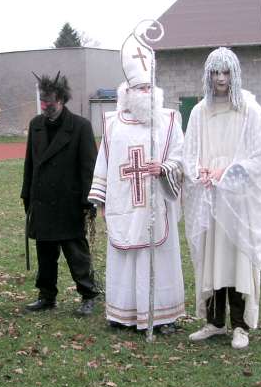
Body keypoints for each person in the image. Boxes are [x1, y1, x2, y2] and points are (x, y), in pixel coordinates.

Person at [88, 32, 185, 334]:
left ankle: (162, 316)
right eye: (139, 88)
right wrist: (99, 198)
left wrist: (165, 168)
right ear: (127, 92)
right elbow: (104, 161)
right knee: (125, 258)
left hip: (157, 203)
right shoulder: (112, 123)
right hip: (124, 204)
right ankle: (123, 314)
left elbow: (181, 158)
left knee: (158, 259)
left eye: (148, 87)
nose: (145, 92)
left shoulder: (169, 121)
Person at [183, 47, 261, 349]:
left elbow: (260, 157)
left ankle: (240, 325)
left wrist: (227, 172)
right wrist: (200, 171)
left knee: (237, 260)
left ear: (235, 74)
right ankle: (214, 322)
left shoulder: (249, 110)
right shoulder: (199, 112)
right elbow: (189, 154)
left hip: (238, 202)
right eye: (215, 73)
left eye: (226, 72)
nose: (221, 79)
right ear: (207, 75)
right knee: (212, 259)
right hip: (210, 200)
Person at [21, 72, 100, 316]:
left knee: (76, 253)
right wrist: (27, 196)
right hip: (42, 201)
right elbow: (30, 164)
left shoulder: (80, 126)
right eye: (42, 101)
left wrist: (89, 200)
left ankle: (88, 294)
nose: (45, 106)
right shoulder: (36, 125)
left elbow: (89, 166)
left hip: (70, 202)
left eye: (50, 102)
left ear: (62, 99)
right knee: (45, 254)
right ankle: (46, 296)